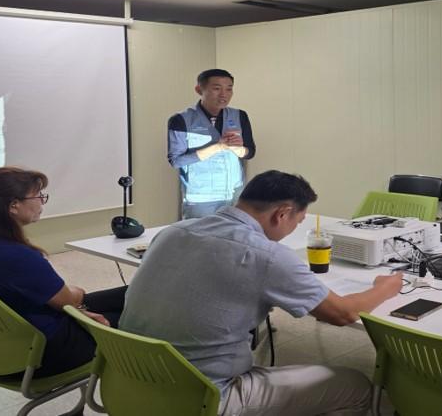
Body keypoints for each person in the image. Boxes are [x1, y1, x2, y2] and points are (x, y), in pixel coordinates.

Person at [119, 170, 402, 416]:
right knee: (355, 386)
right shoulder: (267, 255)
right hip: (205, 396)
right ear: (282, 214)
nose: (293, 229)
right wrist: (385, 288)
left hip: (128, 377)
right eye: (298, 221)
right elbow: (343, 314)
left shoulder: (173, 231)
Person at [0, 167, 126, 376]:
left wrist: (74, 304)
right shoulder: (15, 256)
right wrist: (75, 297)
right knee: (138, 316)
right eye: (38, 195)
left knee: (130, 294)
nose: (42, 201)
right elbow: (69, 300)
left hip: (0, 349)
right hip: (43, 354)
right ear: (14, 205)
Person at [168, 69, 256, 219]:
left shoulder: (239, 115)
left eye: (229, 89)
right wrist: (217, 147)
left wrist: (238, 149)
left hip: (235, 195)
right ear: (199, 90)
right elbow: (176, 161)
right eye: (217, 88)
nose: (224, 94)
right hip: (201, 198)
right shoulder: (181, 120)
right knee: (200, 234)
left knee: (234, 233)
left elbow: (250, 152)